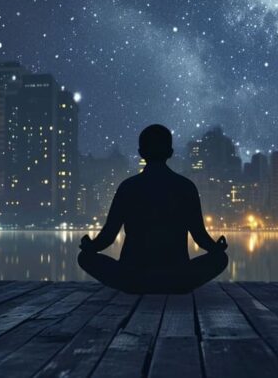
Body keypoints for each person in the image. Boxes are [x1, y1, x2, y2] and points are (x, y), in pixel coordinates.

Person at [78, 124, 228, 294]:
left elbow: (108, 236)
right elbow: (200, 236)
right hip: (177, 277)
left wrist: (89, 247)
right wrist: (217, 249)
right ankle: (174, 285)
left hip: (133, 277)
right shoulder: (186, 187)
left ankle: (139, 284)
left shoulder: (128, 187)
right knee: (220, 259)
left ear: (141, 153)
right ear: (170, 153)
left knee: (84, 258)